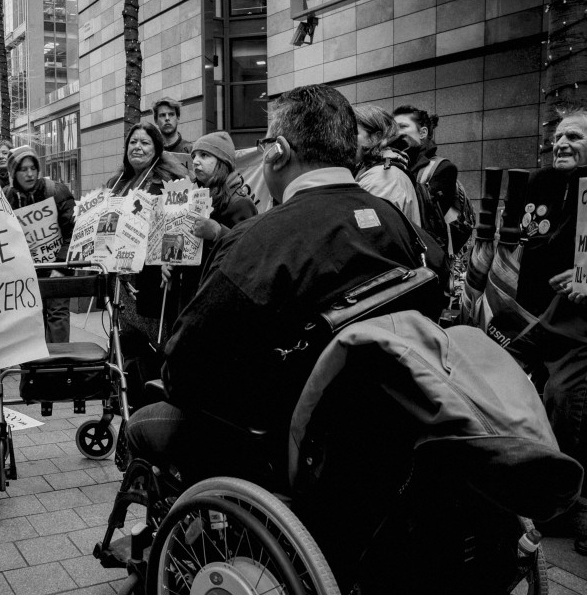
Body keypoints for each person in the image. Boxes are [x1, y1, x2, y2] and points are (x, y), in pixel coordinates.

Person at [125, 84, 447, 487]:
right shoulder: (400, 226)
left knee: (140, 424)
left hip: (277, 439)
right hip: (381, 430)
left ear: (277, 151)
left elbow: (184, 369)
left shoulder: (256, 241)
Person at [505, 109, 587, 555]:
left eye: (574, 136)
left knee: (565, 400)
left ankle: (573, 504)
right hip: (536, 313)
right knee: (504, 376)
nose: (561, 143)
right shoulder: (541, 183)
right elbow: (528, 240)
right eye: (557, 137)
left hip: (579, 324)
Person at [105, 122, 189, 336]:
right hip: (122, 281)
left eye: (145, 142)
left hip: (153, 278)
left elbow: (178, 224)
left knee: (154, 345)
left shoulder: (170, 182)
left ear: (157, 149)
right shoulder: (116, 183)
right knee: (126, 343)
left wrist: (172, 264)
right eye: (133, 142)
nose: (137, 147)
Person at [163, 131, 257, 315]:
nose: (196, 161)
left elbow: (252, 255)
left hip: (223, 305)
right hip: (191, 298)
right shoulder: (192, 199)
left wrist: (217, 232)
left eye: (204, 155)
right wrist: (170, 263)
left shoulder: (241, 203)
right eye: (194, 156)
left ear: (223, 162)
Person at [3, 145, 75, 343]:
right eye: (23, 169)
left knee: (58, 317)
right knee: (30, 323)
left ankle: (57, 369)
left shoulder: (57, 191)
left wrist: (61, 265)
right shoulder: (5, 198)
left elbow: (74, 232)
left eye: (33, 168)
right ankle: (32, 372)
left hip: (57, 271)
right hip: (26, 274)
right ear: (13, 173)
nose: (29, 174)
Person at [393, 104, 466, 248]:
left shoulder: (443, 168)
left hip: (425, 251)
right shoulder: (396, 162)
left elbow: (426, 216)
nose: (397, 133)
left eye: (403, 126)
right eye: (394, 129)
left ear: (422, 133)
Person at [353, 104, 420, 225]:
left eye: (353, 133)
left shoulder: (382, 180)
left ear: (375, 138)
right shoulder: (377, 170)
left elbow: (370, 236)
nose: (345, 140)